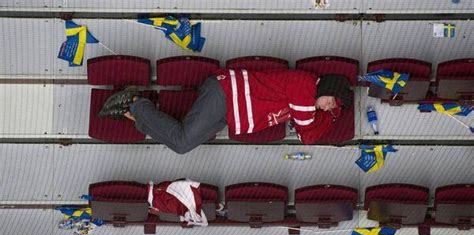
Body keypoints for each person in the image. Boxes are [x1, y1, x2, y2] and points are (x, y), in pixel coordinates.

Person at [99, 68, 352, 154]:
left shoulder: (306, 100)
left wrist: (328, 113)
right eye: (331, 101)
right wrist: (328, 117)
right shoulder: (305, 86)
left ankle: (134, 115)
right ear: (327, 87)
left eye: (333, 107)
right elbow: (308, 134)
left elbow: (304, 131)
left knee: (182, 146)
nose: (329, 107)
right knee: (182, 141)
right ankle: (133, 101)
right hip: (225, 95)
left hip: (227, 114)